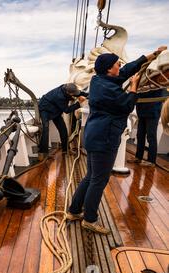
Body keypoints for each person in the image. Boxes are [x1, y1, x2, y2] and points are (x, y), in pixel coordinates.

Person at [66, 45, 167, 234]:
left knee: (91, 177)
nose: (120, 65)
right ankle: (89, 219)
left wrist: (153, 54)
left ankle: (74, 211)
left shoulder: (100, 80)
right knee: (99, 180)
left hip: (94, 136)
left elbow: (129, 68)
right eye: (116, 64)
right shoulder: (110, 90)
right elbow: (127, 106)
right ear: (109, 69)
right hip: (105, 139)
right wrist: (134, 87)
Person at [38, 83, 87, 159]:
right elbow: (67, 110)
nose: (75, 94)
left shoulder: (68, 87)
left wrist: (88, 95)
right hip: (45, 109)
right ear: (68, 92)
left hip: (56, 109)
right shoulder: (59, 96)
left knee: (63, 130)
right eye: (73, 94)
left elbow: (78, 93)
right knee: (45, 129)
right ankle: (43, 153)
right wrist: (79, 103)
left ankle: (65, 150)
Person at [128, 88, 168, 167]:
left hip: (153, 111)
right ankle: (138, 157)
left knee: (151, 137)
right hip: (142, 111)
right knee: (140, 135)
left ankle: (151, 161)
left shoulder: (158, 83)